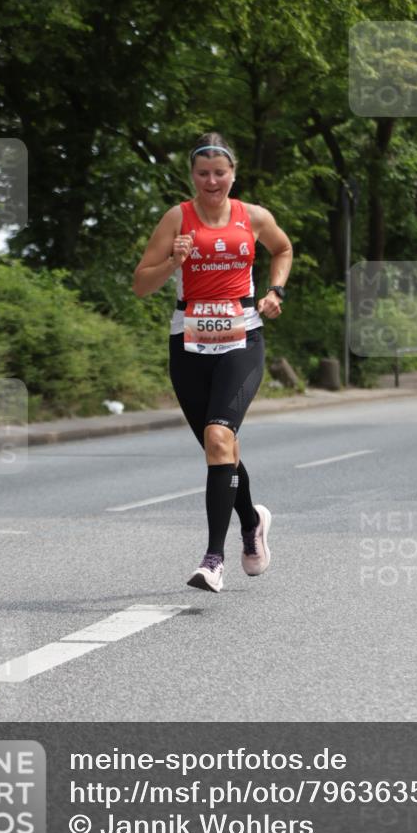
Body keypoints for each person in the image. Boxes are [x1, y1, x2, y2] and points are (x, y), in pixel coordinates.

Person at [133, 132, 293, 592]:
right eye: (202, 173)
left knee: (219, 436)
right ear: (192, 176)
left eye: (219, 173)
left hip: (242, 338)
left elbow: (282, 249)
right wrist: (172, 263)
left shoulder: (253, 217)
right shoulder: (176, 219)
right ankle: (252, 522)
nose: (211, 181)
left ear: (233, 174)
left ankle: (213, 559)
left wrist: (275, 291)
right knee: (219, 448)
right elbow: (141, 284)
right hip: (188, 344)